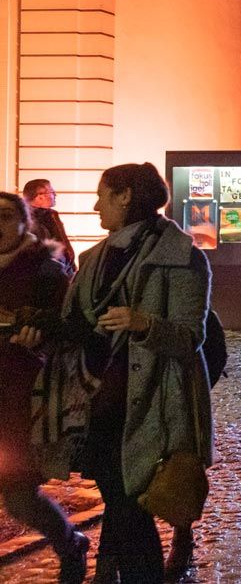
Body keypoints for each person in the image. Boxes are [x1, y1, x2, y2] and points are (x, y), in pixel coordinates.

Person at [13, 163, 212, 584]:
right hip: (98, 404)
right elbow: (78, 328)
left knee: (129, 510)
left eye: (102, 195)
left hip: (150, 406)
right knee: (124, 509)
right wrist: (41, 332)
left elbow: (190, 336)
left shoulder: (183, 258)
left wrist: (144, 323)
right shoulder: (96, 258)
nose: (95, 205)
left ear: (125, 197)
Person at [0, 192, 89, 584]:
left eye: (5, 216)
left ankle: (70, 543)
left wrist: (39, 336)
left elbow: (67, 328)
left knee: (19, 496)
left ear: (25, 222)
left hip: (20, 398)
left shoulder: (46, 270)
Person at [23, 178, 75, 272]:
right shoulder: (27, 220)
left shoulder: (50, 214)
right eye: (52, 192)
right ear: (40, 196)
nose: (55, 195)